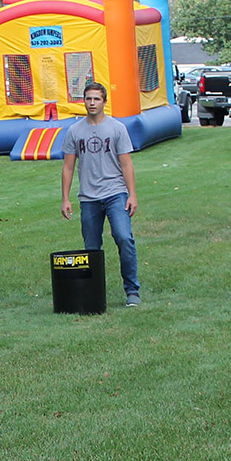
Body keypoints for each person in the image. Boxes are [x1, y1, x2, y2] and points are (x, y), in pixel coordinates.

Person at [61, 82, 141, 307]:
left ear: (104, 101)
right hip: (88, 197)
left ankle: (132, 290)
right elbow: (68, 167)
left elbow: (126, 164)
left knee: (124, 237)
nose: (92, 103)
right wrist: (65, 198)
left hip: (115, 193)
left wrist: (132, 195)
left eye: (96, 99)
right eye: (88, 99)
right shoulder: (75, 131)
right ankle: (93, 295)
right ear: (83, 101)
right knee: (91, 248)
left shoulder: (117, 129)